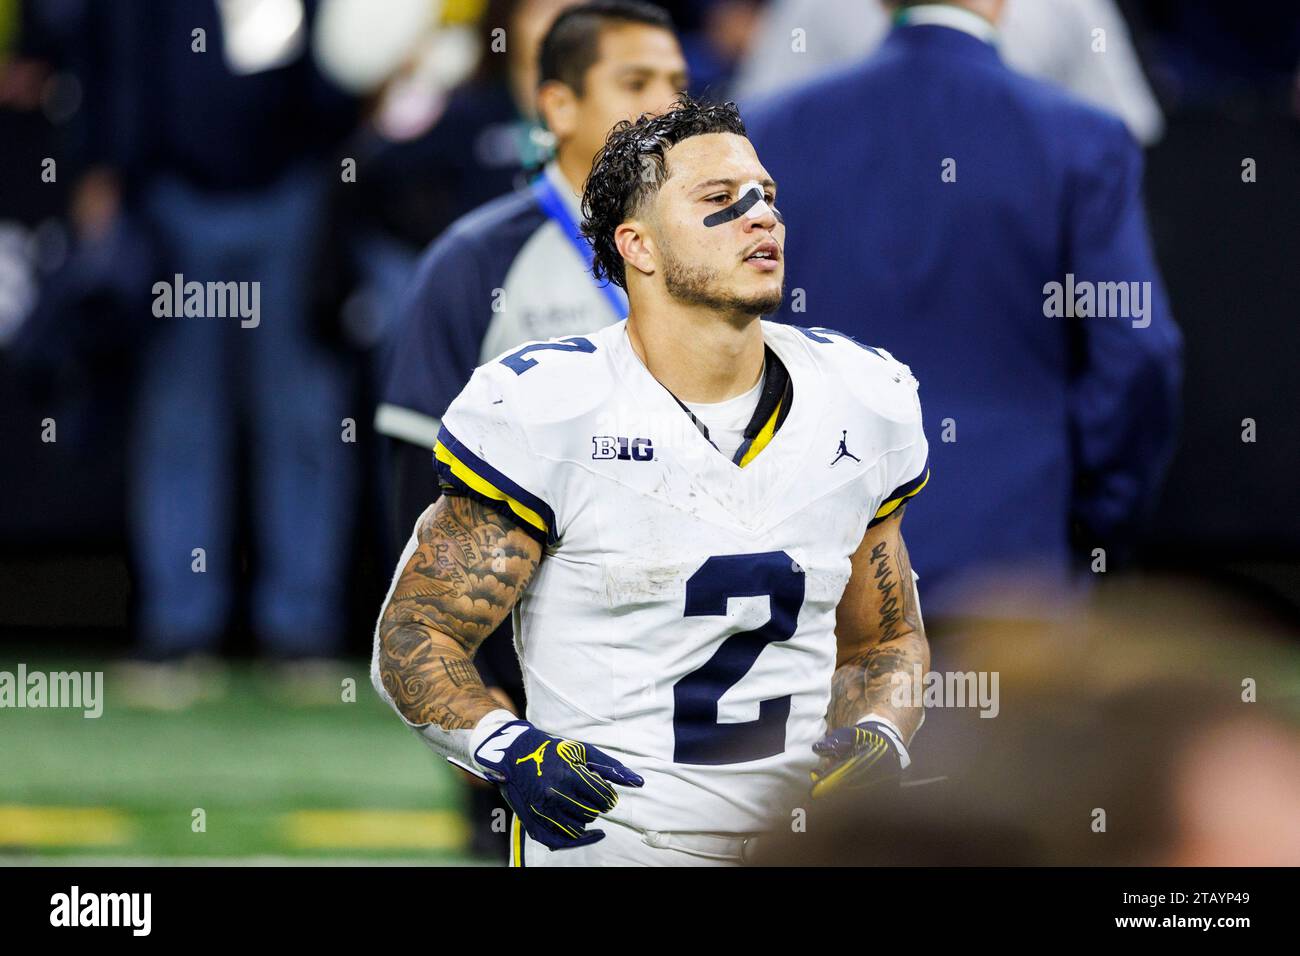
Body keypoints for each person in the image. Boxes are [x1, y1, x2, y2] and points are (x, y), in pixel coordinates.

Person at [371, 95, 933, 866]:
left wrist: (878, 735)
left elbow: (883, 641)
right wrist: (508, 749)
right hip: (611, 846)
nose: (761, 215)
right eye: (719, 199)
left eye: (766, 196)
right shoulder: (547, 409)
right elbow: (415, 632)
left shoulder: (861, 397)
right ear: (637, 245)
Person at [746, 0, 1183, 619]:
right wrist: (1093, 510)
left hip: (812, 554)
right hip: (1012, 557)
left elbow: (722, 333)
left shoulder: (771, 129)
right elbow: (1139, 350)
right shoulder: (1081, 135)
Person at [374, 0, 689, 859]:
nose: (664, 105)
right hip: (532, 683)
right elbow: (420, 496)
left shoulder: (707, 255)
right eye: (636, 83)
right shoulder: (474, 263)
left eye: (676, 82)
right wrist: (484, 717)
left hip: (691, 679)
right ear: (556, 106)